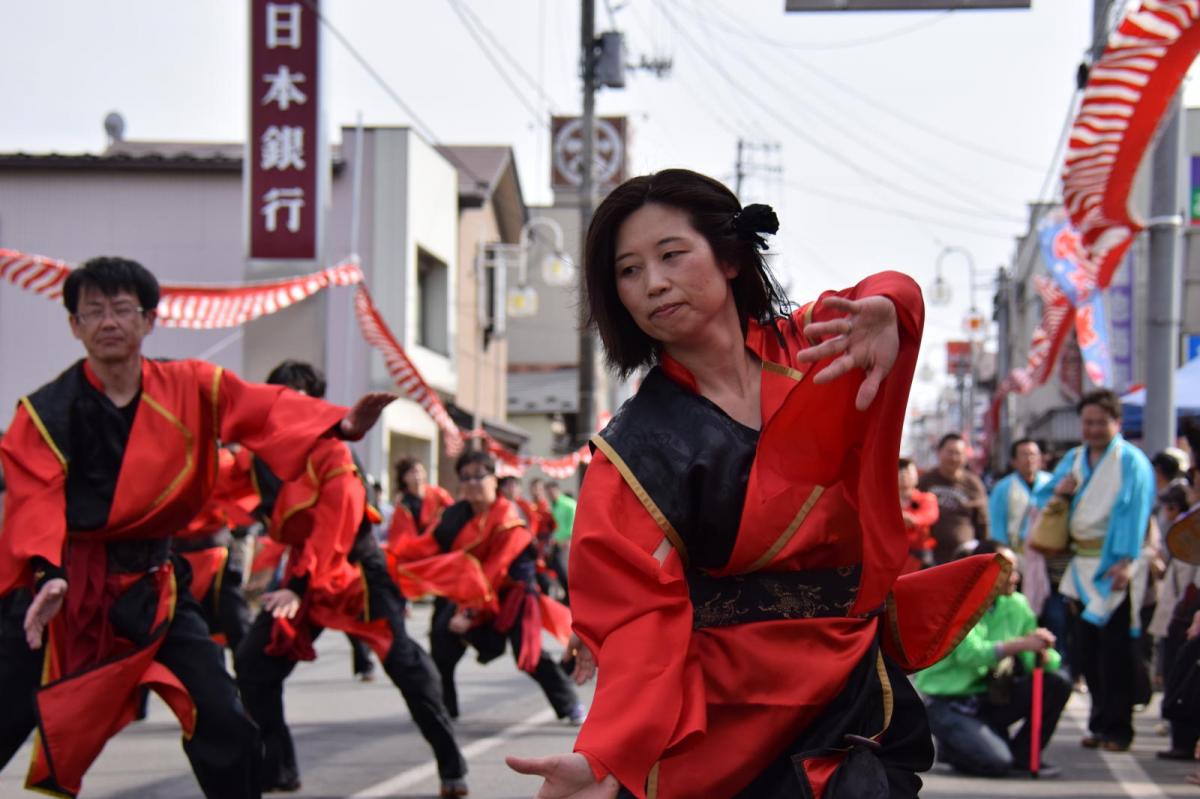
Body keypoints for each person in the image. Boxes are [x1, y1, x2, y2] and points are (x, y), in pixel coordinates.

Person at [503, 169, 1009, 798]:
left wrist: (892, 307)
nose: (652, 283)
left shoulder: (816, 343)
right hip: (733, 715)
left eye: (670, 255)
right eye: (628, 271)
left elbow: (887, 291)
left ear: (732, 256)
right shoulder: (631, 448)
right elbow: (635, 617)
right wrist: (607, 753)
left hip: (853, 677)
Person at [0, 257, 395, 799]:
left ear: (149, 320)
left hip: (155, 587)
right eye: (92, 311)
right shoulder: (44, 413)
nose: (108, 321)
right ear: (74, 325)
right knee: (6, 713)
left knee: (225, 721)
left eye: (121, 309)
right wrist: (47, 573)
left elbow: (262, 408)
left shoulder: (191, 387)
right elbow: (34, 499)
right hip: (64, 591)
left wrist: (338, 423)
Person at [233, 361, 468, 797]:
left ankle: (450, 761)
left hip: (356, 573)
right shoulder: (261, 456)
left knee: (404, 665)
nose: (287, 408)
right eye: (279, 398)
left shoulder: (335, 451)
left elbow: (335, 526)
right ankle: (278, 768)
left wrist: (296, 585)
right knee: (253, 662)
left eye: (298, 398)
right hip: (302, 576)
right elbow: (214, 487)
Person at [395, 451, 582, 724]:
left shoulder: (509, 517)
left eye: (479, 476)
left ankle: (570, 705)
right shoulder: (455, 515)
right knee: (441, 641)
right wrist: (389, 558)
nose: (472, 483)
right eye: (465, 477)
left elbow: (494, 571)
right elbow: (425, 547)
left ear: (494, 479)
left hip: (511, 593)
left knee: (529, 655)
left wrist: (469, 613)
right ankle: (446, 709)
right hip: (469, 593)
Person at [1034, 388, 1155, 752]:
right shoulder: (1073, 458)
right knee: (1085, 651)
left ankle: (1118, 729)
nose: (1094, 428)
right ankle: (1099, 723)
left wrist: (1125, 560)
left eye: (1101, 421)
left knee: (1115, 652)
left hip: (1114, 564)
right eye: (1088, 422)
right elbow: (1044, 498)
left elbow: (1133, 513)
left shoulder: (1131, 460)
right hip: (1078, 565)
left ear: (1116, 423)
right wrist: (1062, 493)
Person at [916, 542, 1071, 778]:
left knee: (1058, 681)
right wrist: (1019, 645)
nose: (1015, 578)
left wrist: (1044, 652)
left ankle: (1024, 755)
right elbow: (970, 655)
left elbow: (1034, 663)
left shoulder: (1017, 604)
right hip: (947, 701)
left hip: (988, 696)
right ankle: (956, 747)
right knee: (996, 763)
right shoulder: (959, 603)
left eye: (1016, 571)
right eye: (1008, 571)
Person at [918, 433, 990, 564]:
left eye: (959, 453)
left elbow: (982, 520)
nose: (954, 458)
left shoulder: (973, 483)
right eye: (950, 452)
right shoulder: (926, 480)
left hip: (964, 556)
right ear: (939, 452)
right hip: (930, 557)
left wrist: (983, 550)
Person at [386, 456, 454, 563]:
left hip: (440, 542)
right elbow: (402, 537)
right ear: (404, 478)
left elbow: (453, 512)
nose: (418, 476)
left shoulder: (438, 494)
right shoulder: (403, 505)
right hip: (419, 548)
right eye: (413, 472)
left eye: (420, 471)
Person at [898, 457, 938, 572]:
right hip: (894, 551)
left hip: (920, 552)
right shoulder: (886, 500)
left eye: (908, 471)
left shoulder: (927, 498)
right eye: (900, 471)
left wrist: (912, 519)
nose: (904, 475)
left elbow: (929, 515)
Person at [546, 481, 576, 600]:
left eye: (552, 492)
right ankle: (567, 596)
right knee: (556, 569)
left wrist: (569, 539)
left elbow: (574, 523)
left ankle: (571, 597)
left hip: (566, 542)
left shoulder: (569, 504)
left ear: (557, 490)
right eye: (548, 493)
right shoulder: (553, 506)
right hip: (556, 543)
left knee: (565, 570)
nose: (550, 495)